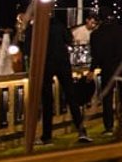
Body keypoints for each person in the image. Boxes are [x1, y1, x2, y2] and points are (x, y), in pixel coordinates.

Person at [37, 8, 88, 144]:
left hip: (46, 64)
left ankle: (47, 136)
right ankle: (81, 131)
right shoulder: (60, 26)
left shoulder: (38, 27)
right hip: (63, 63)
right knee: (71, 97)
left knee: (47, 101)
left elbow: (30, 47)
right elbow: (69, 40)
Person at [87, 11, 122, 135]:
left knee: (107, 98)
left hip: (107, 69)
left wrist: (91, 70)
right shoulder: (121, 30)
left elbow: (95, 56)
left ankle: (109, 127)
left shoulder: (96, 34)